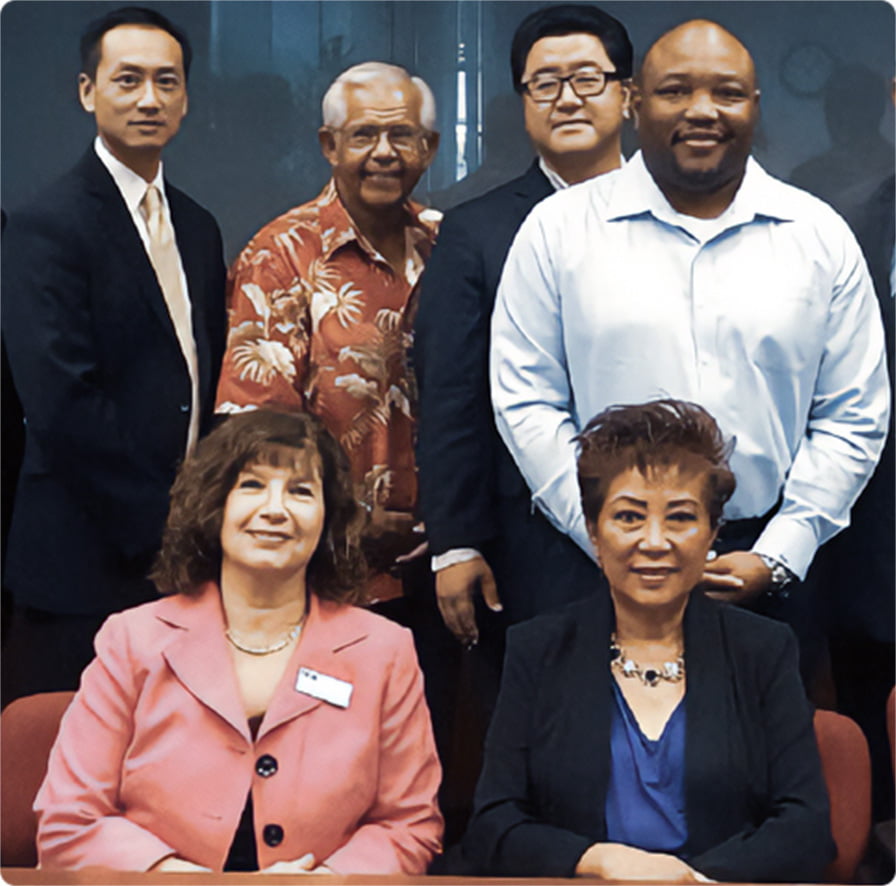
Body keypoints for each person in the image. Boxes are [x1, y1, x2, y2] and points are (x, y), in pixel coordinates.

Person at [490, 19, 889, 685]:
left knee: (760, 777)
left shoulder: (819, 236)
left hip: (763, 570)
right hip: (596, 571)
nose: (702, 110)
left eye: (727, 93)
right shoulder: (558, 231)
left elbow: (853, 414)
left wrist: (783, 551)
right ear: (636, 103)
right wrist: (606, 535)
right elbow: (524, 397)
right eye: (676, 91)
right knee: (598, 778)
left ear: (755, 108)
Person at [35, 409, 443, 874]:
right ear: (214, 506)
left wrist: (329, 882)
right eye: (251, 486)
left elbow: (409, 825)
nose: (275, 508)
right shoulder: (132, 640)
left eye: (301, 491)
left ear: (328, 519)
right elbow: (69, 820)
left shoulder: (383, 651)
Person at [462, 399, 834, 882]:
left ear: (711, 534)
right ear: (595, 534)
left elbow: (807, 829)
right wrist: (600, 860)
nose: (654, 541)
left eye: (680, 518)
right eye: (629, 518)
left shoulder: (762, 649)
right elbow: (493, 826)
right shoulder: (539, 649)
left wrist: (689, 880)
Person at [1, 6, 226, 701]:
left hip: (187, 564)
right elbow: (63, 403)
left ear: (187, 99)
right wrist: (163, 529)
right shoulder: (47, 224)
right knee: (73, 778)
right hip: (84, 561)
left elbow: (201, 379)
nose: (149, 98)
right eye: (127, 80)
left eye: (167, 81)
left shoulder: (196, 223)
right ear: (87, 91)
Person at [415, 2, 631, 650]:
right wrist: (454, 543)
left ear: (628, 93)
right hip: (531, 541)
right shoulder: (476, 230)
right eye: (545, 83)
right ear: (523, 101)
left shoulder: (680, 211)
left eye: (588, 79)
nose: (566, 99)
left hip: (672, 527)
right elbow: (450, 395)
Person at [215, 61, 440, 606]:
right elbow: (255, 427)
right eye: (364, 135)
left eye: (402, 136)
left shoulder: (447, 245)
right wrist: (350, 516)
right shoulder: (280, 254)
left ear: (429, 148)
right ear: (329, 146)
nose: (384, 152)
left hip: (444, 566)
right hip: (323, 568)